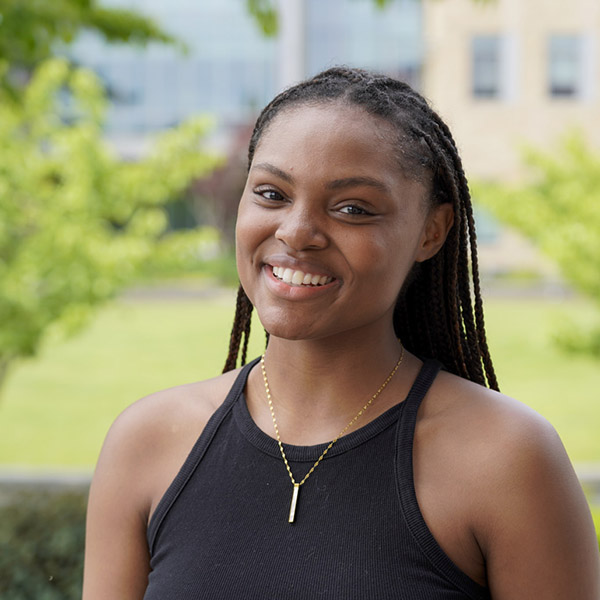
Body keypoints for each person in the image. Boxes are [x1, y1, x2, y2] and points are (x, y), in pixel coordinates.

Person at [82, 67, 600, 599]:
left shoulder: (506, 460)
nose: (296, 232)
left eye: (352, 208)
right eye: (271, 193)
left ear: (431, 231)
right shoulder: (146, 444)